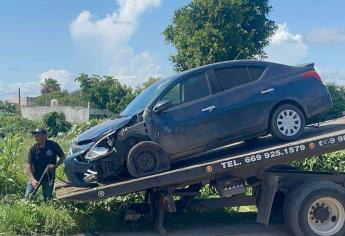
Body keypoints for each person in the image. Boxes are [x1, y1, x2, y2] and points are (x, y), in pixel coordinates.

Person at [24, 128, 66, 201]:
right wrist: (33, 179)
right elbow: (28, 165)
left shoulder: (53, 145)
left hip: (48, 177)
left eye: (39, 135)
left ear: (45, 136)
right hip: (35, 177)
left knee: (47, 200)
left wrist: (55, 166)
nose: (36, 138)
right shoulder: (33, 149)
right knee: (27, 198)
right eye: (35, 136)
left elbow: (63, 157)